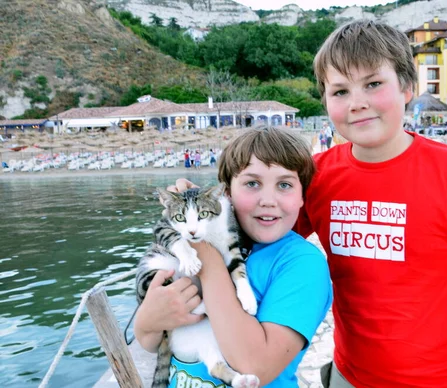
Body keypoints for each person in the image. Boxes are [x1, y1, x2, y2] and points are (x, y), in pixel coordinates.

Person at [295, 20, 447, 387]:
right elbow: (259, 240)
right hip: (348, 375)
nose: (357, 103)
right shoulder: (315, 177)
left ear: (407, 88)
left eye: (373, 84)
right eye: (339, 91)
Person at [134, 126, 332, 388]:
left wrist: (201, 244)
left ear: (301, 198)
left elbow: (253, 366)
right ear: (226, 193)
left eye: (284, 185)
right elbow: (150, 340)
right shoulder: (207, 233)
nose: (268, 200)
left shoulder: (302, 265)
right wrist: (146, 323)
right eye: (252, 183)